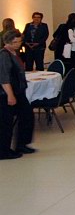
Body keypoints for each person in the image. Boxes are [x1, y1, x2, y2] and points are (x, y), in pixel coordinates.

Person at [0, 30, 35, 159]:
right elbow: (4, 78)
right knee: (6, 122)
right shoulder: (4, 55)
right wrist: (10, 95)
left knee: (27, 116)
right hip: (7, 94)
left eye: (19, 41)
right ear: (7, 42)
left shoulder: (15, 53)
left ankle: (21, 144)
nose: (18, 44)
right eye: (15, 42)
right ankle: (4, 151)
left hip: (19, 92)